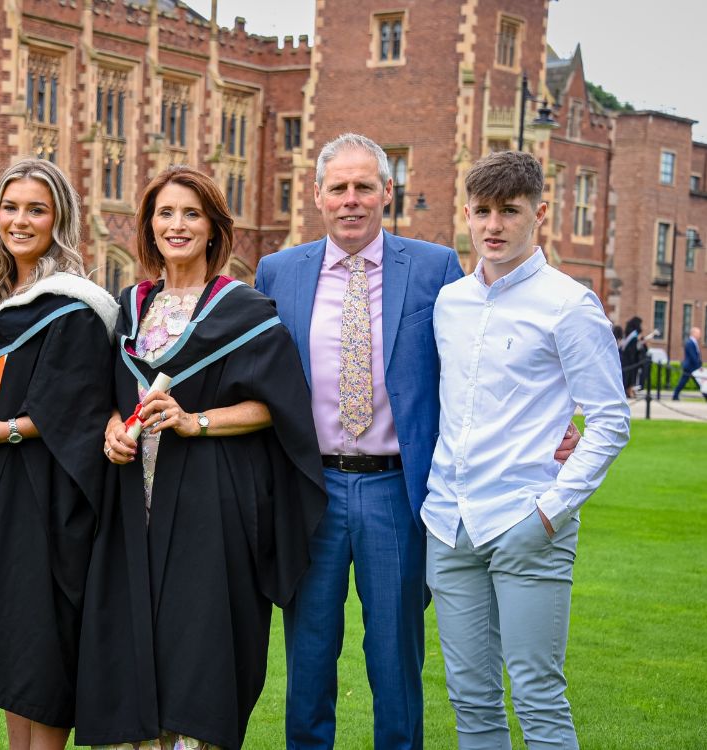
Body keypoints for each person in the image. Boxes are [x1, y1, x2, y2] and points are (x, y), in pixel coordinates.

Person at [254, 133, 579, 750]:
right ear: (318, 196)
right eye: (339, 188)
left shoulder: (431, 268)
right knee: (309, 657)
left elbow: (481, 356)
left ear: (387, 192)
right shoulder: (279, 271)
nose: (352, 200)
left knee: (396, 661)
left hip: (396, 492)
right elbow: (252, 371)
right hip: (309, 491)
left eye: (364, 187)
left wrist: (553, 427)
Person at [75, 166, 328, 750]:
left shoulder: (244, 310)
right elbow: (101, 397)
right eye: (165, 213)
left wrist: (197, 421)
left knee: (198, 638)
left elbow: (279, 405)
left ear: (215, 228)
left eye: (192, 214)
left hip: (209, 501)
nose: (177, 225)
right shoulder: (128, 309)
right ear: (149, 226)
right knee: (129, 635)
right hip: (130, 503)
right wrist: (113, 427)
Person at [423, 150, 630, 749]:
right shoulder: (450, 303)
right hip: (449, 525)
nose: (494, 225)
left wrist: (550, 511)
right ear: (466, 213)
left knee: (538, 694)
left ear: (539, 213)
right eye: (483, 211)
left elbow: (610, 421)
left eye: (509, 211)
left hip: (526, 519)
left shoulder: (569, 304)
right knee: (471, 699)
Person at [0, 158, 118, 750]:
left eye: (36, 209)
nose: (21, 220)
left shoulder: (74, 304)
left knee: (44, 647)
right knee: (15, 647)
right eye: (11, 207)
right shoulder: (3, 298)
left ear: (58, 220)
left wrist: (3, 430)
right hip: (4, 493)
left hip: (52, 500)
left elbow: (77, 409)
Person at [672, 326, 704, 400]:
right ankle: (675, 395)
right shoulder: (690, 342)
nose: (700, 335)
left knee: (698, 382)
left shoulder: (694, 342)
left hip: (693, 367)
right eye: (698, 333)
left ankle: (675, 395)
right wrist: (698, 366)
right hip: (690, 367)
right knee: (685, 382)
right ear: (694, 333)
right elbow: (693, 356)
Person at [619, 316, 647, 398]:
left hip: (628, 360)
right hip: (630, 361)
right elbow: (633, 349)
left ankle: (630, 390)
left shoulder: (630, 334)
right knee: (629, 376)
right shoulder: (633, 336)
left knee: (629, 376)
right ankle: (628, 390)